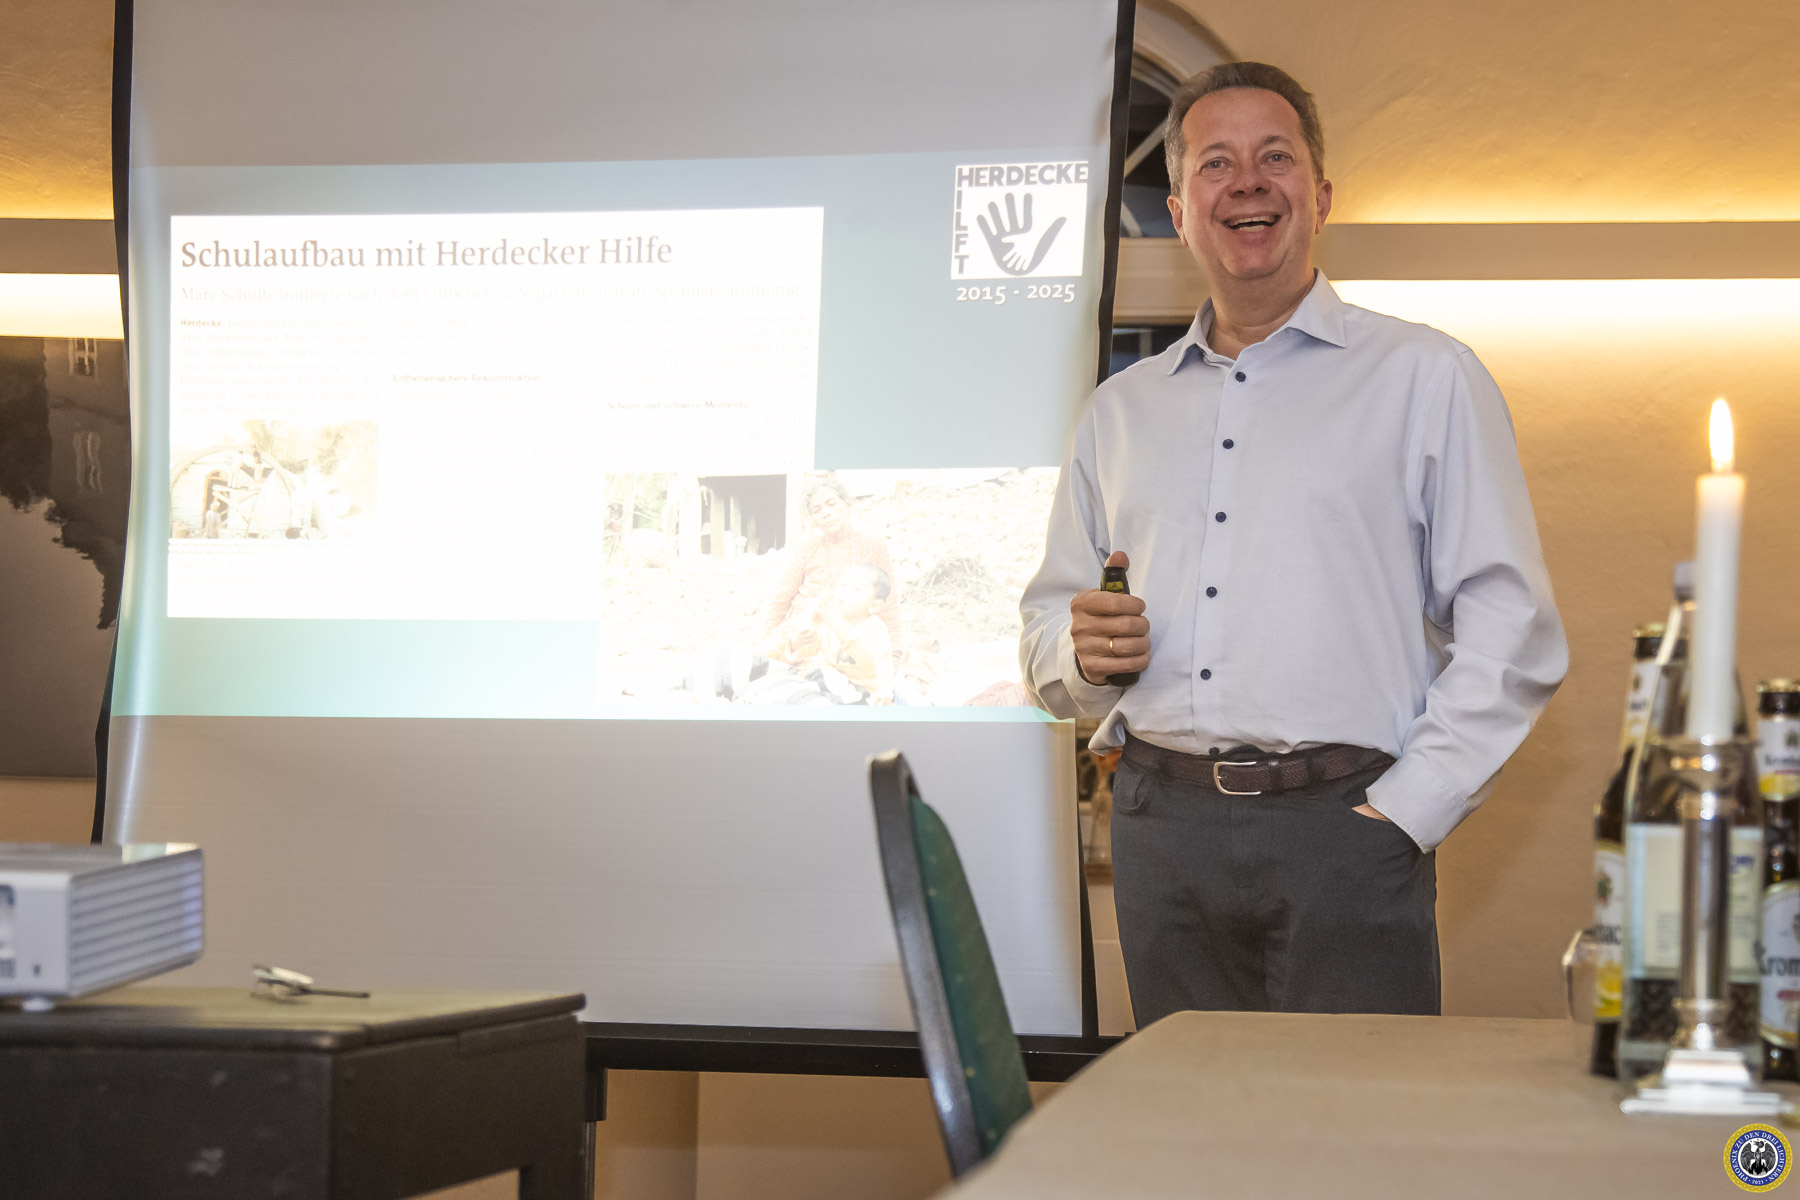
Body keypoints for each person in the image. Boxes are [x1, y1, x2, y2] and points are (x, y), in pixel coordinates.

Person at [1019, 62, 1568, 1024]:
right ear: (1182, 211)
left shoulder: (1426, 378)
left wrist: (1408, 810)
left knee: (1357, 1148)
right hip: (1162, 829)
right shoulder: (1120, 412)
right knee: (1193, 1154)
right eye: (1214, 164)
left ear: (1319, 195)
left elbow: (1512, 626)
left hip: (1346, 832)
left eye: (1276, 157)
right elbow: (1046, 635)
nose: (1248, 182)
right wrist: (1081, 654)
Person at [759, 477, 902, 664]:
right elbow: (780, 601)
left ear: (847, 504)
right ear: (813, 520)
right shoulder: (807, 549)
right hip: (802, 635)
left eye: (831, 504)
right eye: (816, 510)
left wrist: (895, 652)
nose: (826, 513)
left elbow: (888, 601)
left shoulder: (872, 545)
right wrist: (768, 644)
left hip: (846, 636)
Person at [816, 564, 897, 705]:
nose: (844, 591)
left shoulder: (875, 629)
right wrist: (800, 639)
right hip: (835, 685)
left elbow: (866, 656)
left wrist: (836, 622)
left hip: (868, 695)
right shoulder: (829, 623)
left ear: (874, 606)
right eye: (842, 585)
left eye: (857, 588)